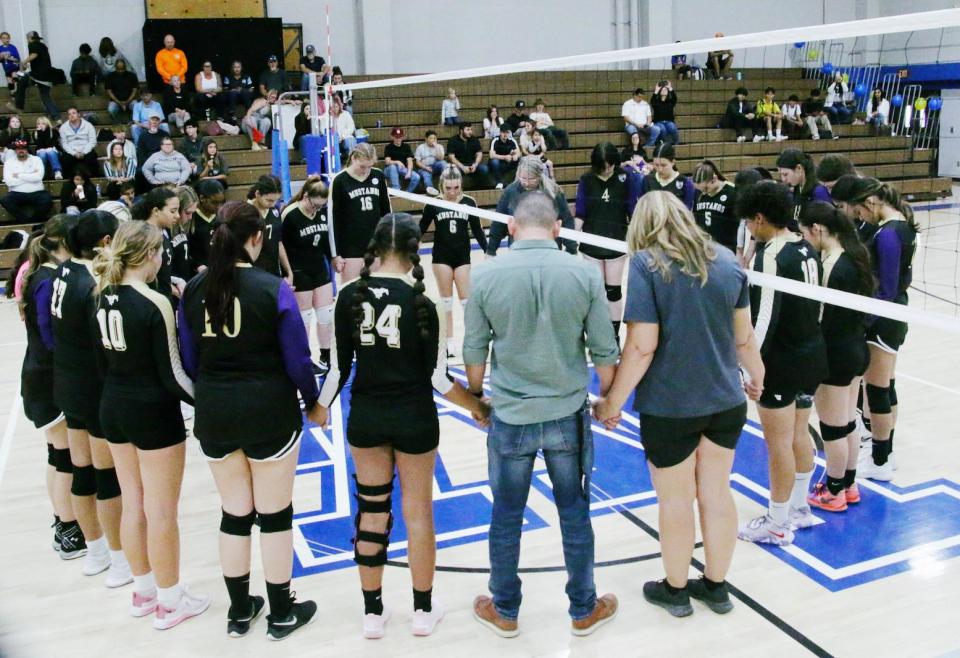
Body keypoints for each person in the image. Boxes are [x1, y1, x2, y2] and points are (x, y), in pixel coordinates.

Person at [315, 213, 490, 638]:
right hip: (415, 420)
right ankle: (423, 612)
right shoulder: (421, 302)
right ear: (415, 251)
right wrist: (477, 406)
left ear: (374, 246)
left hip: (367, 419)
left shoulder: (349, 297)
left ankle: (373, 614)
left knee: (372, 511)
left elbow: (337, 372)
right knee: (418, 513)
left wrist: (318, 409)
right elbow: (437, 380)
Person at [593, 191, 764, 617]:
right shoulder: (727, 260)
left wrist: (613, 401)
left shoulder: (647, 264)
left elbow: (641, 346)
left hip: (671, 406)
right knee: (716, 492)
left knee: (675, 499)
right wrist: (757, 374)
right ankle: (716, 586)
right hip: (725, 401)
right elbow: (743, 337)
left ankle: (675, 589)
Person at [464, 191, 620, 638]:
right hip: (568, 414)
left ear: (512, 228)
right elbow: (604, 350)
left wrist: (477, 399)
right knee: (575, 512)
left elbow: (474, 350)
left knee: (507, 513)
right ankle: (584, 608)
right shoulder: (584, 273)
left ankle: (505, 609)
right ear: (557, 228)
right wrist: (608, 403)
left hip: (511, 415)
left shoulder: (487, 275)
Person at [178, 201, 320, 639]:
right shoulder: (272, 287)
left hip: (216, 413)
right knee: (275, 514)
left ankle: (239, 612)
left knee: (234, 514)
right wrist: (313, 401)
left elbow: (188, 360)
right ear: (256, 238)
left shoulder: (196, 288)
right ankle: (281, 612)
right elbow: (298, 359)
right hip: (268, 411)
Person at [90, 220, 208, 628]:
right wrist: (207, 402)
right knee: (161, 511)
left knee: (133, 501)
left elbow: (101, 362)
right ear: (151, 255)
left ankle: (143, 592)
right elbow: (173, 374)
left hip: (113, 407)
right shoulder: (154, 301)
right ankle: (172, 601)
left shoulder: (101, 294)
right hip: (152, 413)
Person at [736, 181, 827, 546]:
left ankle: (776, 523)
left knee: (778, 444)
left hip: (782, 361)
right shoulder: (806, 247)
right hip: (811, 354)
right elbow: (817, 306)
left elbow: (763, 319)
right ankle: (799, 509)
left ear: (759, 218)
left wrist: (750, 367)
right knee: (799, 433)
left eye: (749, 222)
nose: (749, 229)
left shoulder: (771, 256)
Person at [50, 210, 130, 582]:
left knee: (81, 471)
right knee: (105, 476)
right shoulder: (92, 284)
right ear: (103, 243)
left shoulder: (62, 272)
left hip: (68, 384)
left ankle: (95, 552)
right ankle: (117, 560)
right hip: (93, 388)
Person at [797, 202, 874, 510]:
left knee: (833, 428)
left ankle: (832, 490)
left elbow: (820, 316)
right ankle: (848, 484)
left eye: (805, 233)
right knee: (848, 422)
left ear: (817, 230)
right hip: (857, 348)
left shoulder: (831, 265)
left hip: (835, 354)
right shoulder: (855, 255)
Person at [19, 215, 87, 558]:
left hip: (40, 376)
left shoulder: (42, 272)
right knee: (63, 458)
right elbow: (48, 336)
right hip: (47, 378)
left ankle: (64, 523)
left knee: (57, 455)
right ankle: (67, 528)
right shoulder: (48, 278)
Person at [847, 178, 918, 482]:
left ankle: (880, 461)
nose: (860, 218)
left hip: (884, 317)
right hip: (892, 313)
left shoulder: (889, 233)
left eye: (860, 212)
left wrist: (863, 321)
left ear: (872, 203)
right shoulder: (900, 224)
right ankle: (884, 453)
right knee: (884, 386)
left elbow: (886, 288)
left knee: (875, 390)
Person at [575, 142, 643, 337]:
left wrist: (638, 237)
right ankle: (597, 333)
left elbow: (632, 210)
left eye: (610, 165)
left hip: (617, 241)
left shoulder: (626, 177)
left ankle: (613, 334)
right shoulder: (586, 179)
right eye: (603, 166)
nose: (607, 170)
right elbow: (580, 212)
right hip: (591, 243)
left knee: (613, 291)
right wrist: (571, 240)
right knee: (595, 292)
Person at [418, 166, 488, 356]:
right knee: (446, 302)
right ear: (442, 186)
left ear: (461, 185)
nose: (452, 192)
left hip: (462, 256)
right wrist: (411, 246)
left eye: (456, 187)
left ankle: (471, 341)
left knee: (467, 302)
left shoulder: (469, 202)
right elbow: (421, 228)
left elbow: (478, 230)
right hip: (441, 256)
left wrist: (489, 251)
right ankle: (449, 342)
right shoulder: (433, 203)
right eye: (448, 188)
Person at [280, 176, 334, 372]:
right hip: (298, 270)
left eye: (321, 206)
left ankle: (326, 356)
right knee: (304, 318)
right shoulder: (290, 214)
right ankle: (304, 358)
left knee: (326, 315)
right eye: (314, 205)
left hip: (319, 267)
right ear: (305, 196)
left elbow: (327, 239)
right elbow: (279, 245)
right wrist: (285, 273)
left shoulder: (321, 212)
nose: (317, 209)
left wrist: (333, 257)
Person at [486, 156, 577, 256]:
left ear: (539, 175)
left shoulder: (554, 191)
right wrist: (491, 250)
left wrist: (571, 248)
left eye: (532, 179)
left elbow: (566, 219)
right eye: (523, 178)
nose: (527, 183)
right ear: (518, 174)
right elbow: (499, 223)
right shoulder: (510, 191)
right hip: (519, 250)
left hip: (549, 250)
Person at [330, 143, 392, 281]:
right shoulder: (339, 180)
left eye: (369, 166)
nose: (366, 170)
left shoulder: (378, 175)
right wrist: (335, 254)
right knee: (351, 292)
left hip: (376, 242)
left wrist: (389, 242)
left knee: (378, 289)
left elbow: (387, 211)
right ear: (353, 158)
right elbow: (333, 219)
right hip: (350, 245)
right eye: (362, 166)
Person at [131, 187, 180, 300]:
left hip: (164, 299)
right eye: (173, 211)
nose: (177, 215)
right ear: (156, 211)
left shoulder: (163, 233)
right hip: (150, 302)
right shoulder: (143, 237)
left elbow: (162, 273)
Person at [248, 176, 293, 285]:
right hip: (253, 274)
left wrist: (289, 272)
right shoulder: (245, 212)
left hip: (273, 273)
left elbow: (278, 243)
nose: (272, 204)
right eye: (269, 200)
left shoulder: (274, 211)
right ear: (257, 194)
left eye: (276, 200)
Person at [776, 148, 832, 230]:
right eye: (781, 175)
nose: (783, 179)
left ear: (799, 168)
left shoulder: (819, 192)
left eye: (785, 174)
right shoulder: (796, 190)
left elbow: (827, 225)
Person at [1, 139, 53, 224]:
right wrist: (31, 175)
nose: (21, 150)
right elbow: (9, 182)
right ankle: (25, 221)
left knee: (47, 200)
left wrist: (19, 175)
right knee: (5, 200)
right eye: (18, 148)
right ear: (15, 150)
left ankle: (33, 221)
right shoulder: (9, 162)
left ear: (27, 149)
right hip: (17, 193)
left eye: (23, 148)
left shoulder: (37, 159)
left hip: (37, 192)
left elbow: (39, 177)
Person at [10, 31, 60, 119]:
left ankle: (19, 108)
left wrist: (23, 62)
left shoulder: (33, 44)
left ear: (30, 38)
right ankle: (56, 116)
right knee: (45, 97)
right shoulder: (43, 46)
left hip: (38, 75)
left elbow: (34, 55)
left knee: (21, 83)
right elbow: (39, 59)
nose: (27, 40)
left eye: (27, 38)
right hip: (48, 75)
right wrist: (27, 64)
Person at [692, 160, 738, 253]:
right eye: (700, 190)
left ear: (714, 179)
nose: (703, 193)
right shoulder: (700, 193)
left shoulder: (732, 192)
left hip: (726, 248)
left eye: (706, 188)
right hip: (705, 247)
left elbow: (741, 225)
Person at [187, 179, 225, 274]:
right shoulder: (190, 218)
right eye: (214, 202)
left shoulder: (222, 217)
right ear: (202, 198)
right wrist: (197, 265)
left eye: (221, 202)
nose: (219, 207)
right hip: (198, 273)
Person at [642, 143, 695, 209]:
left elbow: (687, 211)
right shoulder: (647, 180)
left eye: (663, 165)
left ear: (673, 162)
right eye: (656, 165)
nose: (660, 169)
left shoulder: (685, 183)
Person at [58, 107, 99, 179]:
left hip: (86, 149)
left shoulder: (88, 125)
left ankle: (93, 178)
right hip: (71, 151)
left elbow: (92, 141)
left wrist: (84, 152)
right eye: (69, 114)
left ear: (79, 114)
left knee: (92, 156)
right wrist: (74, 153)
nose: (71, 115)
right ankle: (69, 179)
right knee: (65, 159)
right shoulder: (63, 127)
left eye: (74, 113)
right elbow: (64, 143)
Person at [446, 123, 489, 188]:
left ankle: (479, 189)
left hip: (471, 164)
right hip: (459, 165)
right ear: (461, 131)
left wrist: (475, 164)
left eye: (471, 129)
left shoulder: (474, 140)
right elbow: (451, 157)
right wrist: (462, 167)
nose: (470, 132)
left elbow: (479, 153)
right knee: (455, 171)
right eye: (468, 130)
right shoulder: (453, 140)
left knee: (484, 169)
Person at [383, 127, 422, 193]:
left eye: (400, 137)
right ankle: (396, 189)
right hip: (389, 170)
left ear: (403, 137)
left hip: (401, 169)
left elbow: (410, 161)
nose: (398, 139)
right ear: (392, 137)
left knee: (416, 177)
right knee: (393, 167)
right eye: (396, 137)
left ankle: (407, 193)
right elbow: (387, 162)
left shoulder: (406, 146)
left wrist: (409, 172)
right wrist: (397, 162)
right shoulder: (389, 147)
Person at [489, 124, 520, 189]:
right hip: (498, 163)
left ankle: (516, 182)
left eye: (507, 132)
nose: (505, 134)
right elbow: (491, 155)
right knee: (494, 162)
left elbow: (519, 153)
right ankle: (500, 182)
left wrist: (515, 156)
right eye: (503, 132)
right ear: (500, 132)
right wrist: (505, 157)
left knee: (519, 160)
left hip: (508, 162)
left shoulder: (511, 140)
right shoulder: (495, 140)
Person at [414, 130, 445, 196]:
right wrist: (426, 168)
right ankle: (431, 193)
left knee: (443, 163)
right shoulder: (420, 147)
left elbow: (441, 159)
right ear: (426, 139)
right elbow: (417, 162)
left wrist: (436, 147)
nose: (433, 140)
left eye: (434, 138)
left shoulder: (439, 147)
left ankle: (446, 185)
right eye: (431, 138)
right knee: (426, 175)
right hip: (423, 167)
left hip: (434, 166)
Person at [34, 116, 64, 180]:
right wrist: (40, 133)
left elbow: (51, 143)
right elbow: (40, 145)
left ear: (47, 124)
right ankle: (41, 172)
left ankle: (57, 172)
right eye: (38, 124)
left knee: (50, 151)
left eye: (43, 124)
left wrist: (45, 132)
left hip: (53, 151)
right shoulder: (36, 133)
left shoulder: (53, 131)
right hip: (41, 151)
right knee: (42, 153)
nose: (40, 125)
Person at [651, 81, 680, 145]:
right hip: (658, 122)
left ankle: (676, 143)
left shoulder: (670, 102)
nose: (664, 91)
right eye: (662, 90)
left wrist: (670, 88)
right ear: (660, 91)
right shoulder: (656, 102)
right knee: (662, 129)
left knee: (672, 127)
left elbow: (675, 98)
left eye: (665, 90)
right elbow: (652, 101)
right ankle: (664, 143)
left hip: (668, 121)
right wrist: (656, 91)